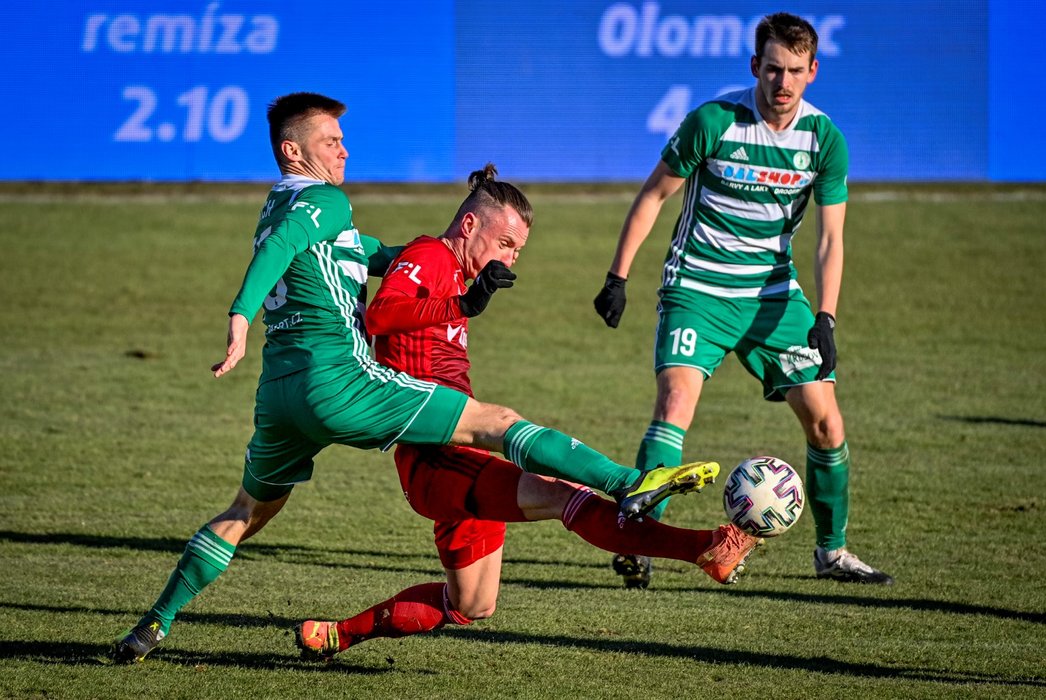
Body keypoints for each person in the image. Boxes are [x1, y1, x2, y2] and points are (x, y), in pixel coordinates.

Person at [111, 93, 719, 664]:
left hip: (279, 394)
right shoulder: (322, 205)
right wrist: (240, 315)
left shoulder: (286, 208)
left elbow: (379, 253)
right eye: (331, 140)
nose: (343, 150)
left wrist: (455, 234)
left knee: (246, 510)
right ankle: (632, 480)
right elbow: (340, 288)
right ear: (294, 152)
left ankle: (156, 620)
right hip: (336, 380)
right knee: (499, 424)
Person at [292, 164, 760, 659]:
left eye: (518, 251)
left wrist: (463, 299)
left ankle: (338, 634)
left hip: (456, 454)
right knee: (554, 483)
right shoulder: (430, 254)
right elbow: (382, 314)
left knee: (471, 603)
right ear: (471, 226)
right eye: (507, 244)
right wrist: (464, 304)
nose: (512, 259)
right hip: (433, 454)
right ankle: (689, 535)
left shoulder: (453, 271)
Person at [592, 13, 893, 588]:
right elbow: (653, 196)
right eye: (773, 69)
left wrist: (825, 316)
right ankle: (638, 543)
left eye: (796, 72)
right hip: (697, 291)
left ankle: (832, 553)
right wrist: (617, 277)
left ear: (812, 73)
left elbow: (832, 239)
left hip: (774, 299)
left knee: (826, 423)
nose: (783, 83)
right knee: (675, 404)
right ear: (755, 66)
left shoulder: (824, 140)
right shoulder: (714, 121)